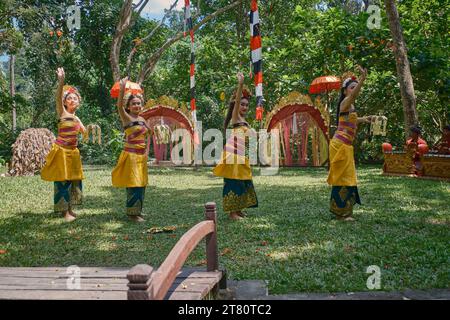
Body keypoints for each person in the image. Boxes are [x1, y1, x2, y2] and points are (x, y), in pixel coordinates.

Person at [326, 66, 373, 221]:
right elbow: (354, 95)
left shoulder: (350, 106)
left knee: (348, 177)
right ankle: (342, 213)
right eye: (351, 88)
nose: (354, 90)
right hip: (340, 146)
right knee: (343, 178)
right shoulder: (346, 101)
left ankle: (345, 211)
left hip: (345, 146)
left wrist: (364, 119)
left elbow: (349, 119)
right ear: (345, 91)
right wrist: (362, 80)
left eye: (355, 87)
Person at [41, 67, 85, 222]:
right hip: (62, 151)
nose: (72, 100)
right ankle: (63, 212)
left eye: (75, 98)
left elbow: (84, 133)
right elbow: (58, 97)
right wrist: (61, 82)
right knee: (62, 180)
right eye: (69, 98)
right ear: (65, 102)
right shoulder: (62, 113)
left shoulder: (77, 118)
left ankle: (70, 209)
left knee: (73, 180)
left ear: (79, 101)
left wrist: (90, 129)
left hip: (73, 153)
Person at [213, 72, 258, 220]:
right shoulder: (236, 117)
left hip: (242, 155)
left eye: (246, 105)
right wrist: (240, 84)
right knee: (233, 182)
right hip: (233, 155)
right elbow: (237, 101)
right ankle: (232, 213)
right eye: (242, 104)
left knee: (242, 182)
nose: (244, 107)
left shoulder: (244, 121)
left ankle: (238, 210)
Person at [111, 77, 149, 222]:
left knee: (141, 183)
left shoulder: (143, 119)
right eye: (134, 104)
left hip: (141, 157)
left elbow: (148, 133)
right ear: (128, 106)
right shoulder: (126, 118)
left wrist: (157, 129)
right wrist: (122, 89)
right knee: (134, 183)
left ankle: (138, 211)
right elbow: (119, 106)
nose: (137, 106)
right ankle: (132, 214)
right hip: (132, 156)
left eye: (139, 103)